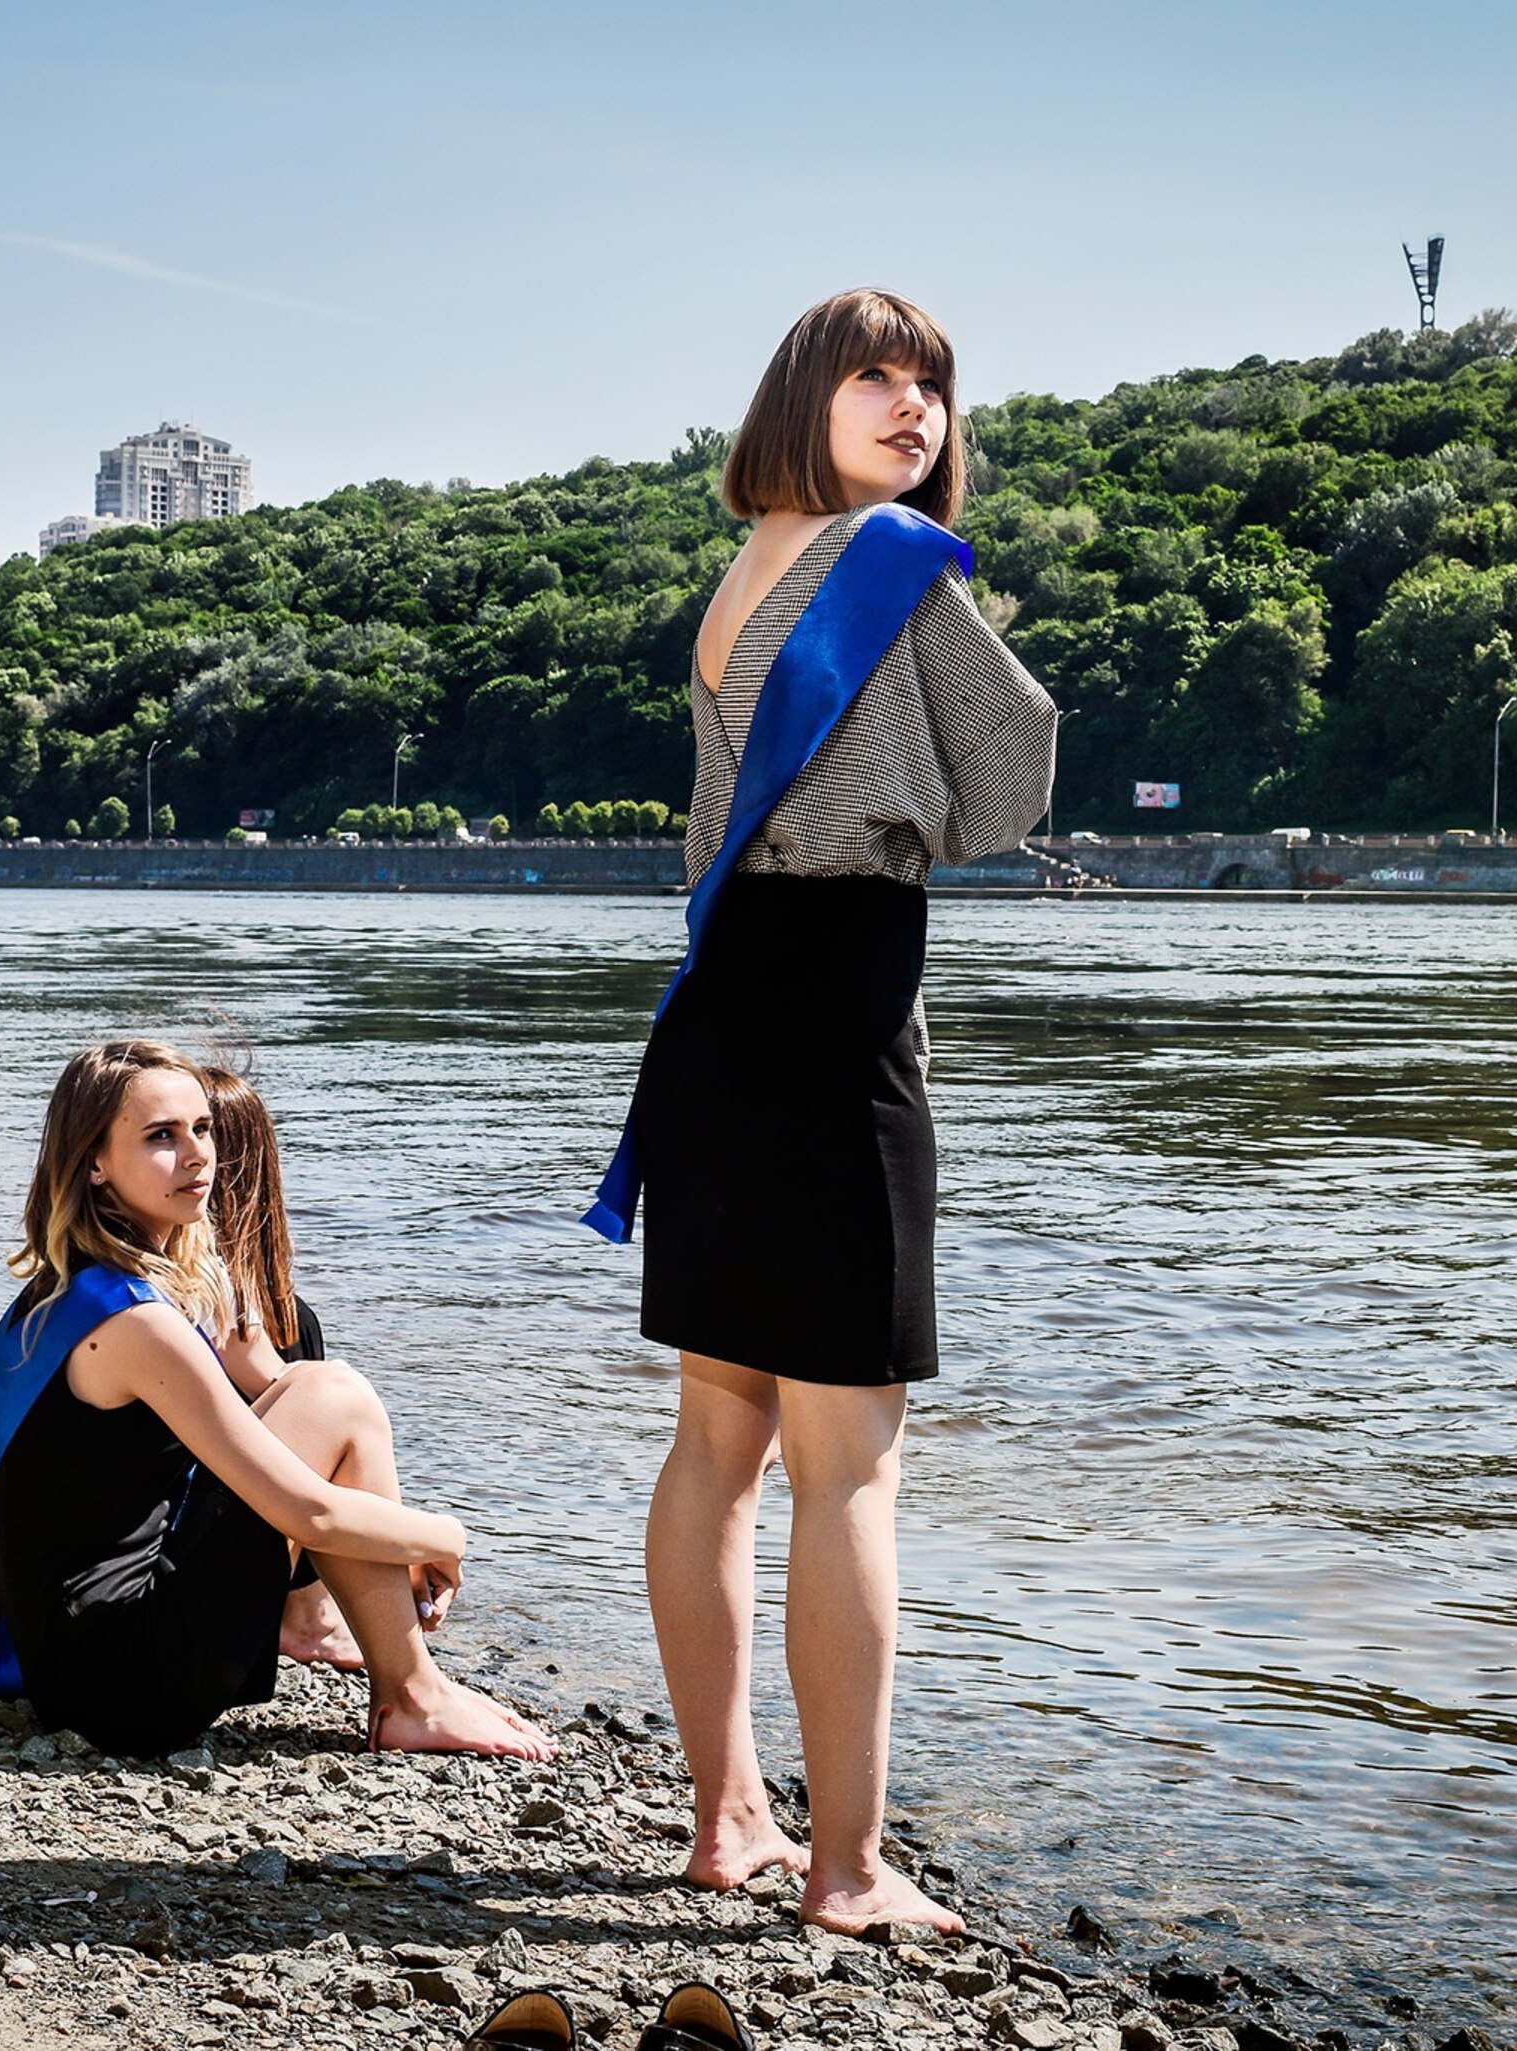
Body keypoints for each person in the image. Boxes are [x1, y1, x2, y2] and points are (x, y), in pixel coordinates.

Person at [588, 288, 1054, 1934]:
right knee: (847, 1463)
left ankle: (727, 1820)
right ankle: (848, 1869)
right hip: (836, 1012)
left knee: (718, 1436)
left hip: (719, 1009)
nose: (913, 402)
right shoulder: (881, 563)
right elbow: (1015, 775)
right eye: (876, 374)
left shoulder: (739, 574)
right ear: (806, 394)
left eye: (930, 381)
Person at [0, 1039, 550, 1762]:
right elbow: (310, 1509)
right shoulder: (135, 1324)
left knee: (319, 1389)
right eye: (160, 1137)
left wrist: (381, 1531)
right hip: (127, 1689)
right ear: (94, 1162)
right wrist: (442, 1538)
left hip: (60, 1664)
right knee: (339, 1393)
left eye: (202, 1128)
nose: (197, 1154)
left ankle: (396, 1674)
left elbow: (279, 1390)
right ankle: (414, 1696)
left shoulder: (69, 1287)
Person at [201, 1063, 366, 1674]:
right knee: (329, 1396)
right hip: (146, 1597)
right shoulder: (259, 1316)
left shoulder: (103, 1288)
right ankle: (309, 1616)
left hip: (27, 1585)